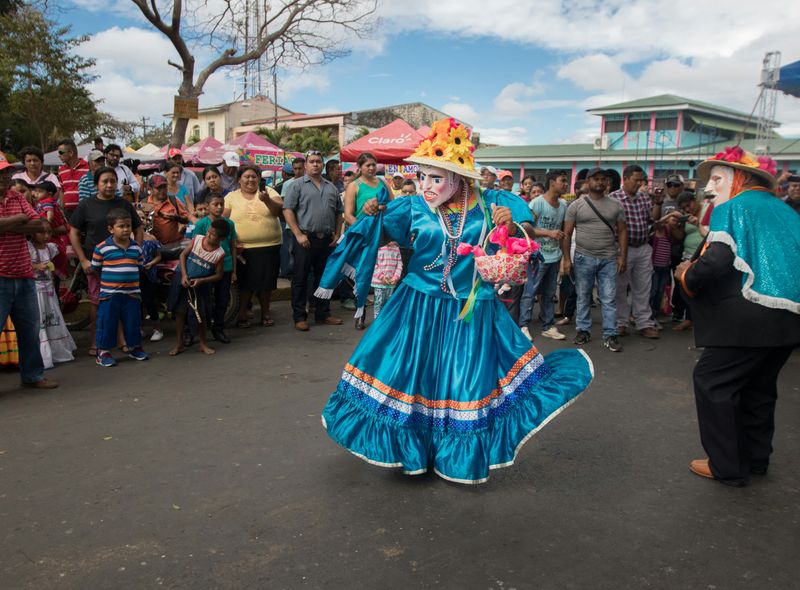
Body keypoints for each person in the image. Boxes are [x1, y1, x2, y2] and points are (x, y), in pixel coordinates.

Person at [313, 118, 593, 484]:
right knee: (411, 377)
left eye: (436, 178)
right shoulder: (411, 207)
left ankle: (454, 455)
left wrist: (510, 226)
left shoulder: (492, 203)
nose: (426, 186)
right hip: (417, 307)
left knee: (463, 381)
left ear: (459, 178)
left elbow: (523, 238)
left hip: (470, 310)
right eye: (423, 177)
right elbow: (379, 238)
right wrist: (369, 217)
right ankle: (412, 449)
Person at [676, 146, 800, 487]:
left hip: (748, 315)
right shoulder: (784, 209)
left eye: (717, 179)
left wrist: (686, 275)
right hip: (790, 318)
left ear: (740, 178)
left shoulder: (733, 207)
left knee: (712, 381)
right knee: (759, 387)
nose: (709, 188)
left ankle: (726, 465)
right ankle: (756, 458)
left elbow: (716, 260)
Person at [69, 166, 143, 356]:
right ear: (96, 184)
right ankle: (97, 342)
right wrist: (83, 259)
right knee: (98, 302)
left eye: (113, 181)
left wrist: (136, 251)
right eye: (105, 181)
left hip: (122, 262)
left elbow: (138, 228)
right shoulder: (86, 205)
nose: (110, 185)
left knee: (123, 302)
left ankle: (123, 341)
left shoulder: (124, 204)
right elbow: (74, 233)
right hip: (96, 264)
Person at [0, 151, 58, 388]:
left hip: (24, 273)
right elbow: (26, 222)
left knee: (30, 329)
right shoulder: (19, 202)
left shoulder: (16, 196)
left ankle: (33, 376)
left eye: (6, 172)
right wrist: (20, 219)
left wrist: (11, 224)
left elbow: (38, 225)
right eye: (0, 173)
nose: (4, 177)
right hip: (1, 276)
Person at [562, 167, 627, 352]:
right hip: (583, 257)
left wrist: (623, 256)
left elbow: (623, 230)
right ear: (587, 182)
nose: (600, 182)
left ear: (607, 183)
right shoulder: (576, 206)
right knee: (583, 296)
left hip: (609, 258)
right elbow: (567, 233)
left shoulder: (616, 205)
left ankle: (611, 334)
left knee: (609, 298)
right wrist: (566, 259)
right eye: (596, 179)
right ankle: (583, 331)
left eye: (603, 179)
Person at [283, 151, 344, 331]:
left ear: (322, 165)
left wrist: (337, 233)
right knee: (300, 278)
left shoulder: (331, 187)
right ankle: (300, 316)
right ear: (306, 165)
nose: (315, 164)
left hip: (326, 240)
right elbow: (287, 210)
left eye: (318, 161)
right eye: (312, 161)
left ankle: (323, 313)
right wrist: (298, 234)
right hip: (305, 238)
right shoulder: (297, 185)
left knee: (324, 278)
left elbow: (338, 212)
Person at [224, 165, 282, 328]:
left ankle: (265, 314)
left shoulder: (269, 192)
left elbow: (280, 211)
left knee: (266, 284)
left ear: (259, 179)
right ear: (239, 179)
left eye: (254, 176)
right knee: (245, 284)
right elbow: (223, 220)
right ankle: (242, 314)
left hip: (269, 246)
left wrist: (267, 200)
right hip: (242, 249)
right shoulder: (231, 197)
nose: (250, 180)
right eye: (246, 176)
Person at [90, 208, 149, 367]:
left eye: (128, 226)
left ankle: (135, 347)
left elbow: (139, 266)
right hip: (109, 295)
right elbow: (96, 268)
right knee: (107, 323)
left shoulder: (136, 248)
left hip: (132, 294)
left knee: (133, 322)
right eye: (121, 226)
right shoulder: (102, 248)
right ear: (111, 229)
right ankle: (103, 352)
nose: (125, 229)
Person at [608, 165, 660, 339]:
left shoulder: (644, 198)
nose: (639, 183)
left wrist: (658, 204)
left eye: (641, 180)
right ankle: (620, 322)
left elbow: (651, 220)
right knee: (620, 287)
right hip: (622, 248)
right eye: (636, 180)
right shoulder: (613, 199)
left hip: (643, 247)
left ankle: (644, 323)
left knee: (643, 287)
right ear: (625, 179)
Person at [519, 170, 569, 341]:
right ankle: (523, 325)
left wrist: (565, 258)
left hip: (554, 256)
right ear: (552, 183)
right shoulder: (537, 203)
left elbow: (563, 233)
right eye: (563, 180)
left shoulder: (563, 205)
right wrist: (548, 233)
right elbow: (526, 229)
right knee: (530, 292)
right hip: (537, 257)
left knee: (549, 293)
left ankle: (548, 326)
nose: (566, 184)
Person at [167, 219, 228, 356]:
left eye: (213, 234)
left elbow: (219, 275)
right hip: (182, 281)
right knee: (180, 313)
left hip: (201, 287)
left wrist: (202, 280)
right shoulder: (197, 240)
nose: (208, 235)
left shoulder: (219, 254)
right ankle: (179, 344)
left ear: (222, 238)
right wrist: (184, 275)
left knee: (201, 316)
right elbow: (183, 255)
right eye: (208, 232)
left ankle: (203, 344)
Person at [28, 226, 76, 367]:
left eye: (49, 232)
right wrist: (36, 266)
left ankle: (57, 351)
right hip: (36, 291)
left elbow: (61, 259)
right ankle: (42, 354)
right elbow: (24, 264)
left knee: (53, 317)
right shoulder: (28, 248)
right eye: (42, 232)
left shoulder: (51, 248)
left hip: (49, 290)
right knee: (40, 319)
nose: (46, 236)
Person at [195, 193, 237, 343]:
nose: (219, 207)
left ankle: (218, 329)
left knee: (222, 299)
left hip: (225, 266)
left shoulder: (229, 223)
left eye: (221, 204)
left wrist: (234, 270)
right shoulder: (201, 224)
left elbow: (232, 246)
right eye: (215, 204)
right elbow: (196, 245)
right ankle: (195, 331)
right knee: (202, 300)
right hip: (206, 266)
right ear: (207, 206)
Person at [136, 209, 164, 342]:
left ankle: (157, 329)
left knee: (150, 302)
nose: (141, 220)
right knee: (136, 303)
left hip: (149, 275)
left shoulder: (151, 238)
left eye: (143, 217)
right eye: (138, 217)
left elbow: (158, 256)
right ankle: (139, 328)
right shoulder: (128, 238)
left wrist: (151, 263)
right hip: (134, 275)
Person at [147, 174, 189, 247]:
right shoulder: (145, 203)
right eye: (159, 188)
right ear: (150, 189)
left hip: (173, 245)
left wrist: (176, 217)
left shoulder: (174, 200)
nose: (163, 190)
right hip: (153, 247)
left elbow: (186, 219)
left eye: (165, 187)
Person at [369, 240, 403, 323]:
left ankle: (385, 322)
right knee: (378, 303)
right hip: (379, 283)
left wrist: (395, 277)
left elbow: (399, 264)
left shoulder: (396, 248)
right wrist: (382, 277)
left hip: (391, 283)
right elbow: (374, 264)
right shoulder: (378, 247)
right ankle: (377, 322)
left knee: (388, 303)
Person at [56, 139, 89, 218]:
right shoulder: (61, 170)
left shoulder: (88, 167)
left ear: (70, 153)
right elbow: (62, 191)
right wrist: (62, 209)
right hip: (68, 213)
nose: (59, 155)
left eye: (61, 152)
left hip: (86, 212)